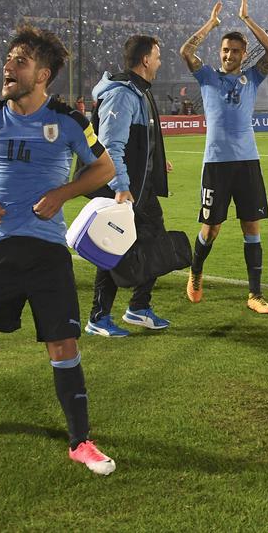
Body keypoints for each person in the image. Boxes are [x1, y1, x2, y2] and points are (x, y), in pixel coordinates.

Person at [0, 24, 118, 474]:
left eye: (20, 61)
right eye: (9, 59)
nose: (8, 67)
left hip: (46, 251)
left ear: (43, 75)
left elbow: (104, 167)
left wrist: (65, 192)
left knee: (63, 343)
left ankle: (80, 441)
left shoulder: (69, 121)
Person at [179, 0, 268, 314]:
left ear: (243, 54)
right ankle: (195, 273)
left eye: (235, 51)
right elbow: (186, 51)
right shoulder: (207, 75)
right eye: (225, 50)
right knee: (211, 229)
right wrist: (212, 23)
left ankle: (255, 294)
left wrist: (248, 19)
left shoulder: (253, 77)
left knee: (251, 226)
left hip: (248, 162)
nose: (228, 55)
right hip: (217, 164)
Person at [85, 34, 174, 337]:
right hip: (125, 189)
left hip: (141, 187)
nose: (160, 61)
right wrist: (121, 186)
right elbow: (111, 146)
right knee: (113, 246)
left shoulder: (139, 91)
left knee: (151, 242)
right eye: (158, 56)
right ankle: (99, 317)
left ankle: (137, 307)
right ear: (146, 59)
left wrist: (155, 161)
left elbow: (138, 141)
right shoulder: (123, 94)